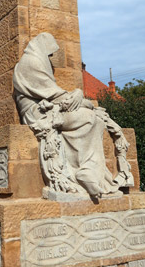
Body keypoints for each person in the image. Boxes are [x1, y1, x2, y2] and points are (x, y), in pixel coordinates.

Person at [13, 32, 133, 198]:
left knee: (97, 120)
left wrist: (77, 96)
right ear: (42, 48)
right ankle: (84, 171)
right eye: (49, 52)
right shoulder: (30, 62)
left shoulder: (36, 60)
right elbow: (54, 95)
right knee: (88, 117)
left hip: (49, 107)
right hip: (38, 112)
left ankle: (88, 171)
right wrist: (81, 99)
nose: (51, 57)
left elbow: (54, 94)